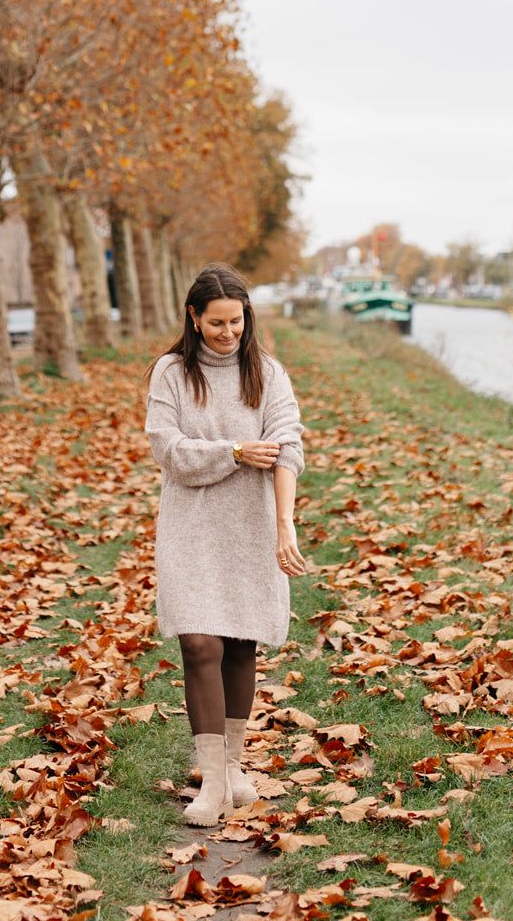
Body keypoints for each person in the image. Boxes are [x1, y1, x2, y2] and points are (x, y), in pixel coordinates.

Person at [145, 262, 306, 826]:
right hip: (191, 526)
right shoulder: (170, 373)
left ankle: (234, 768)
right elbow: (168, 450)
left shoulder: (267, 372)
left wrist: (284, 522)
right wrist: (235, 451)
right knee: (199, 644)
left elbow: (287, 447)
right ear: (194, 317)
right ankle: (212, 784)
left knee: (241, 645)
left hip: (250, 524)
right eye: (216, 322)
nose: (228, 332)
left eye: (236, 321)